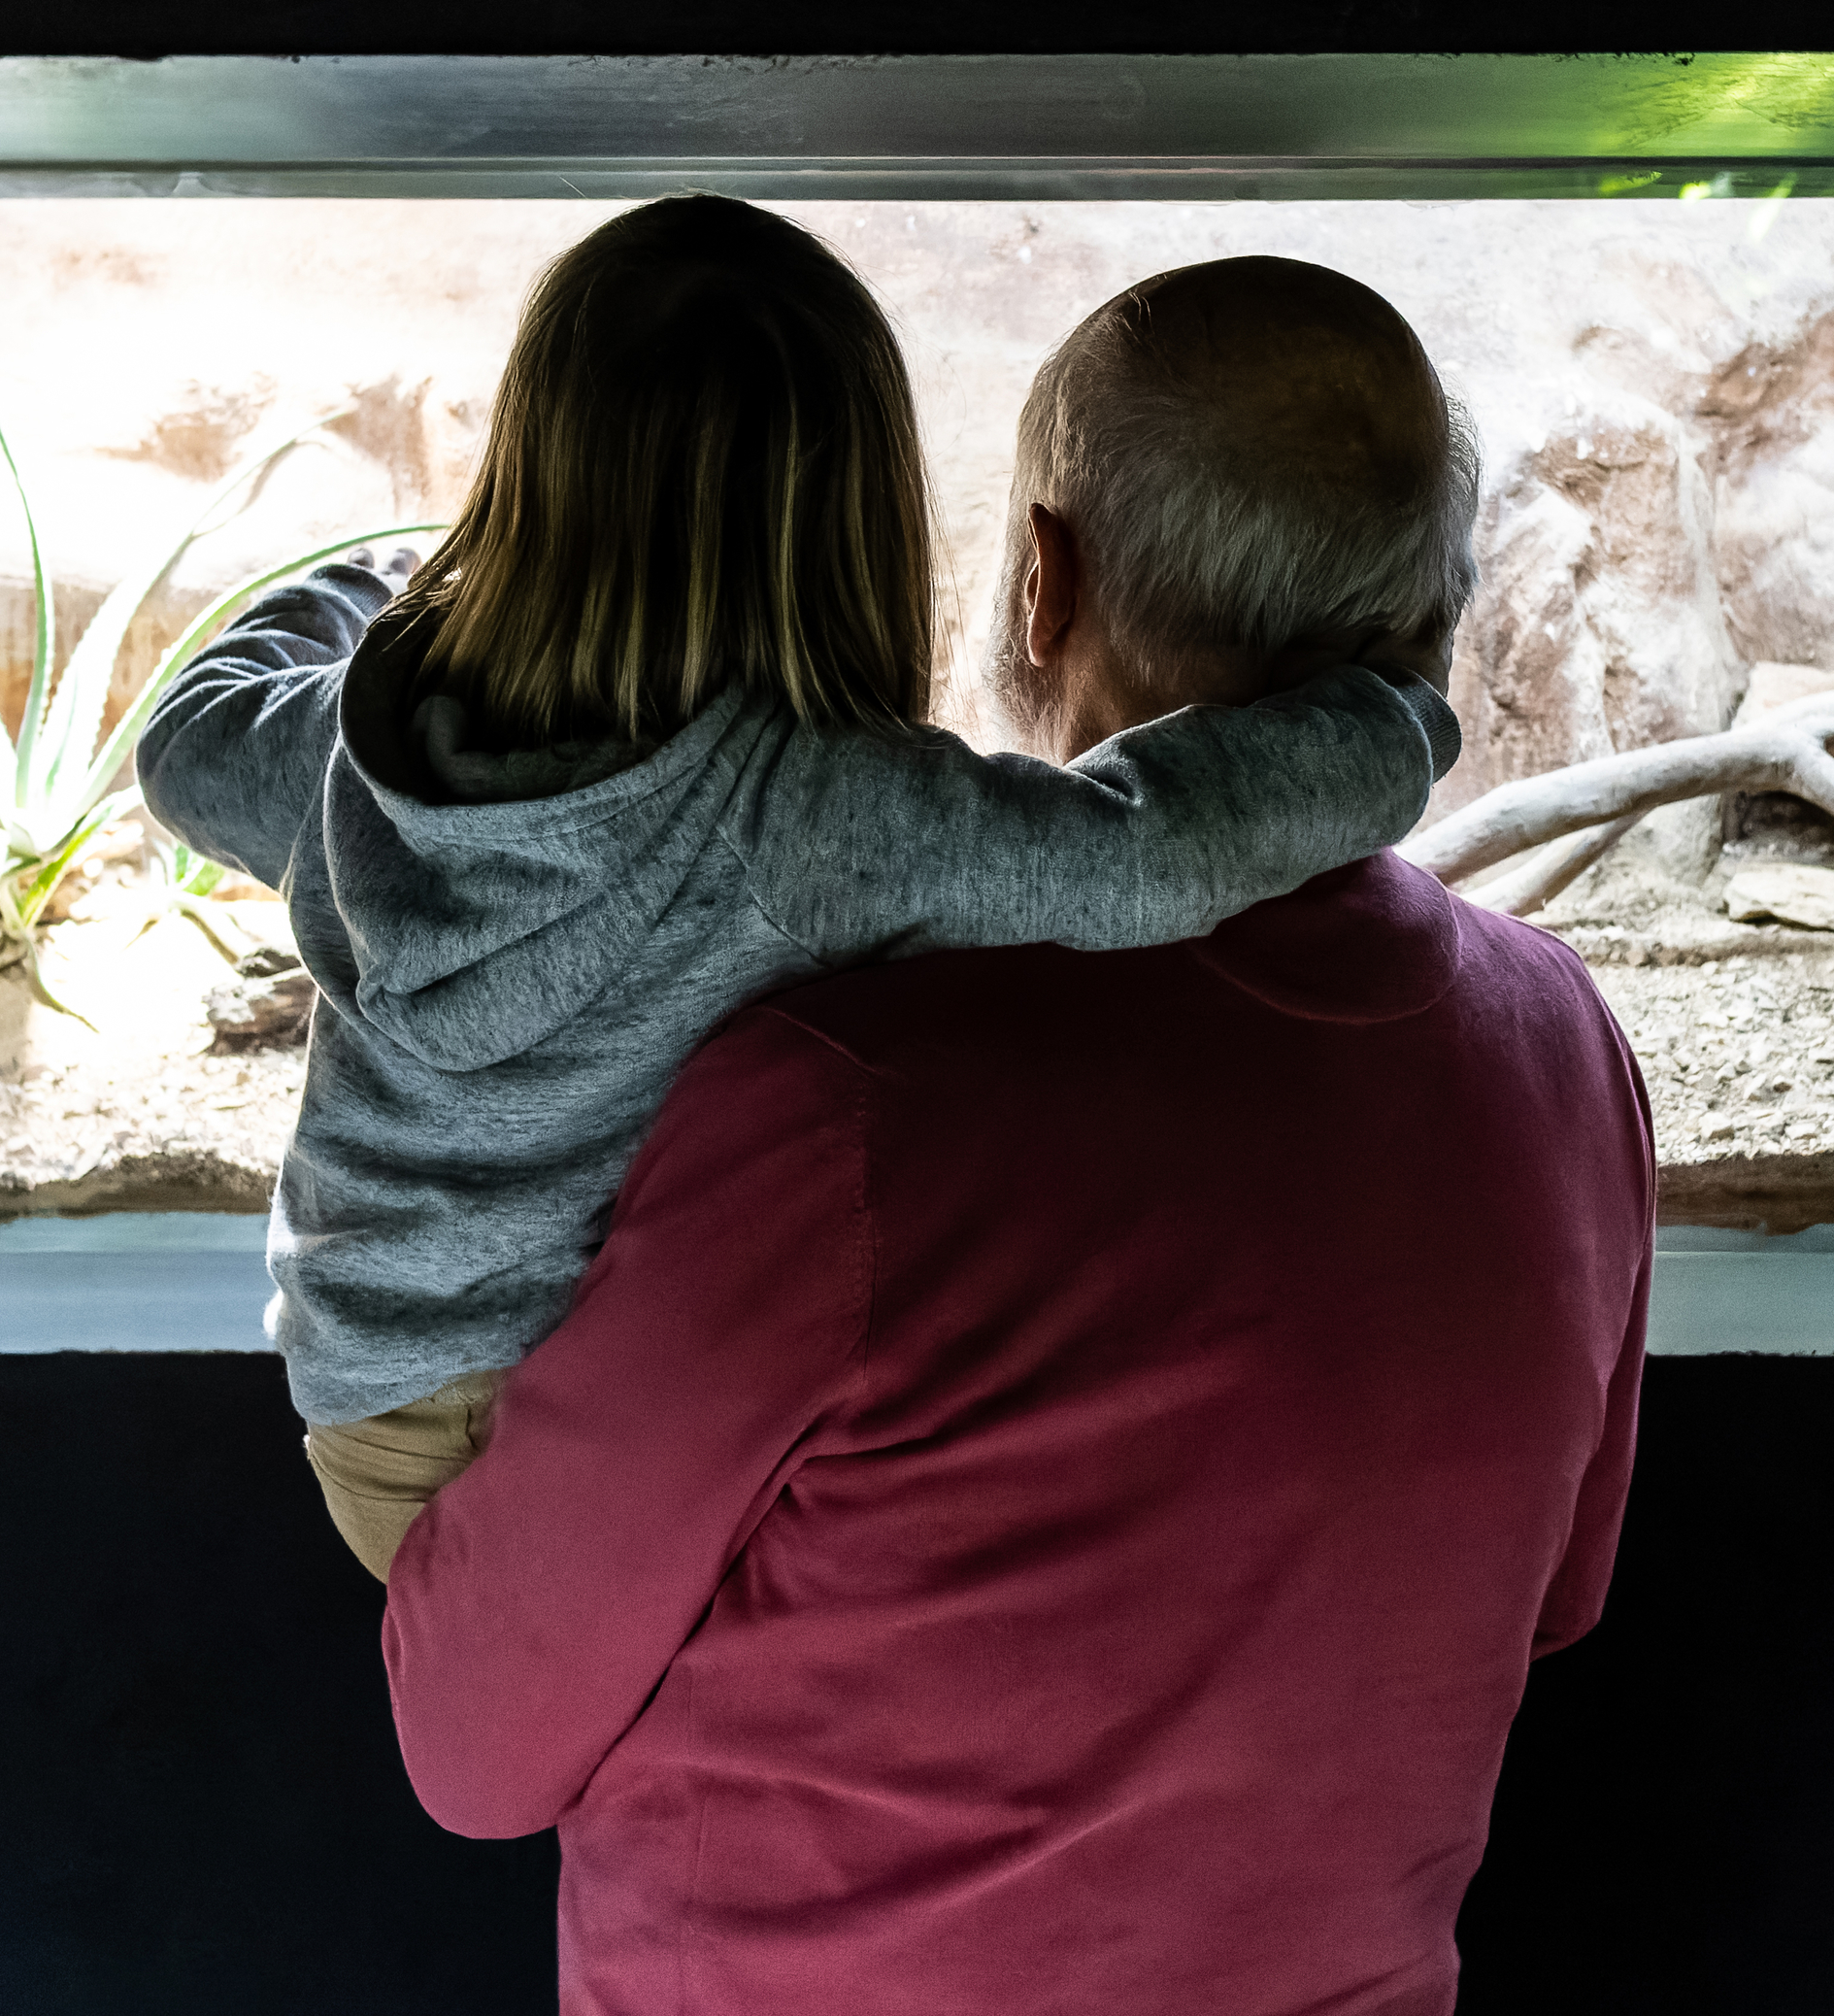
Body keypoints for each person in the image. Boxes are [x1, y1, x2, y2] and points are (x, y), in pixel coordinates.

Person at [383, 255, 1657, 2016]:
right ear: (1439, 616)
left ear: (1041, 584)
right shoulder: (1567, 1052)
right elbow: (1542, 1606)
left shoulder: (837, 1105)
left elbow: (474, 1744)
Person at [134, 199, 1459, 1577]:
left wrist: (381, 577)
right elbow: (1146, 851)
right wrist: (1393, 715)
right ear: (853, 518)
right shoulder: (802, 811)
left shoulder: (350, 753)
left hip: (367, 1418)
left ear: (525, 480)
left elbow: (184, 738)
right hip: (596, 1430)